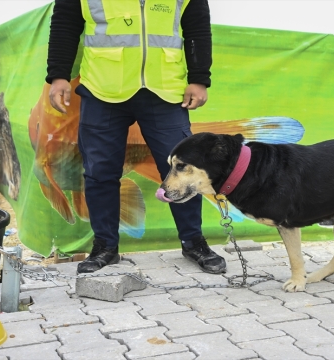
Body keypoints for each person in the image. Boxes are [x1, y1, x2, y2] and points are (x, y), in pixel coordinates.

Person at [45, 0, 226, 274]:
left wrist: (199, 78)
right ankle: (105, 246)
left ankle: (193, 242)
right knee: (99, 171)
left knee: (184, 170)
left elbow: (197, 29)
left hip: (164, 90)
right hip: (102, 89)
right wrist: (58, 76)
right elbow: (65, 26)